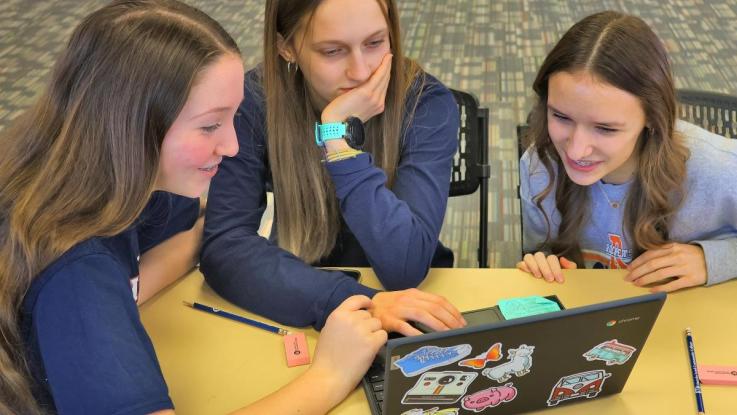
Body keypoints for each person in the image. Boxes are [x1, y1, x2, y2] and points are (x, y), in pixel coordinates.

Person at [0, 1, 385, 414]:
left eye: (234, 117)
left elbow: (189, 233)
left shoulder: (90, 178)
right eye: (209, 125)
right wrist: (329, 376)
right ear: (132, 125)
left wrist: (178, 254)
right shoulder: (77, 271)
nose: (232, 145)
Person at [201, 0, 466, 335]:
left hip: (414, 302)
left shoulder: (425, 103)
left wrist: (336, 139)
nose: (360, 71)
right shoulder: (255, 101)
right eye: (332, 51)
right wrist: (359, 301)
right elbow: (224, 246)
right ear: (286, 47)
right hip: (298, 289)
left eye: (375, 43)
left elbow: (405, 265)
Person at [517, 11, 737, 293]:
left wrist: (713, 259)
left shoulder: (720, 168)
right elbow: (541, 248)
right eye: (560, 116)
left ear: (652, 119)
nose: (576, 150)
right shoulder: (539, 165)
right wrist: (542, 262)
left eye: (606, 129)